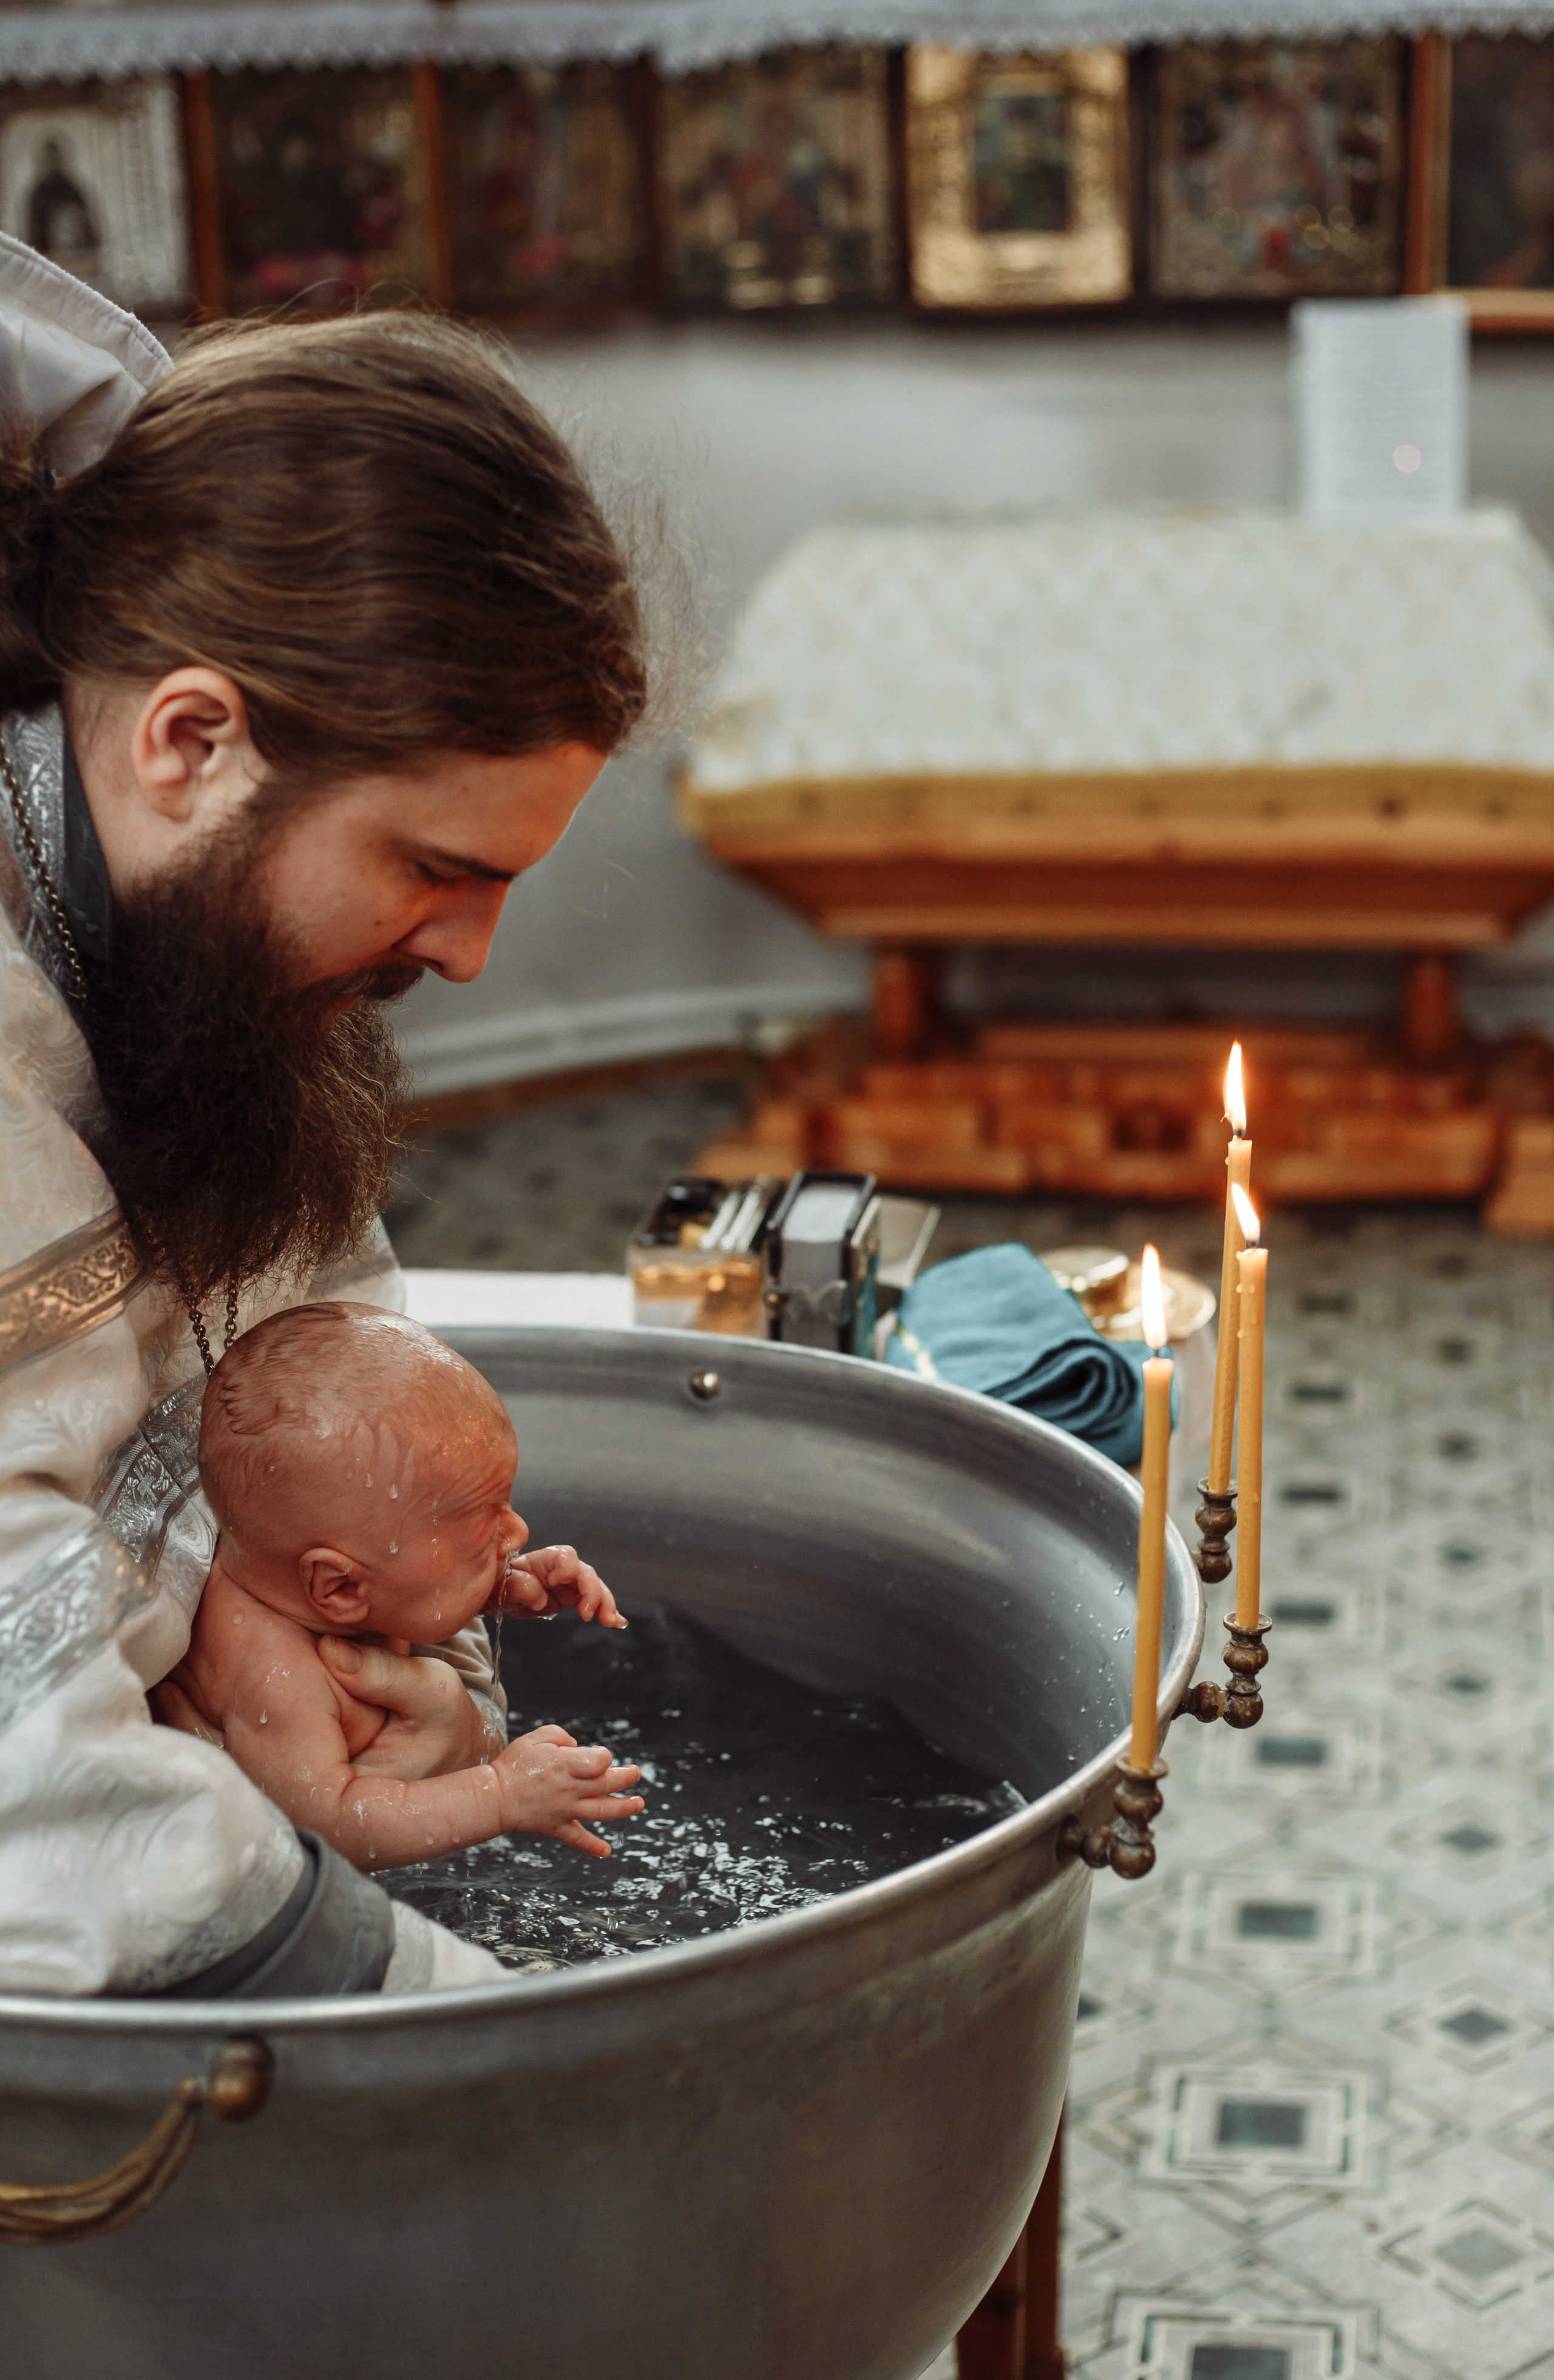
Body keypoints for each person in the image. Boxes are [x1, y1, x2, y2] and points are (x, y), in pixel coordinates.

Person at [0, 233, 646, 1995]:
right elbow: (24, 1769)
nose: (472, 952)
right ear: (190, 743)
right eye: (435, 869)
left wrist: (440, 1706)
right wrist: (486, 2032)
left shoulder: (185, 953)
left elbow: (323, 1378)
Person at [182, 1301, 643, 1869]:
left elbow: (406, 1587)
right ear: (340, 1588)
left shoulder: (310, 1574)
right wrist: (502, 1793)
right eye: (485, 1521)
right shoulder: (275, 1678)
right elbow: (328, 1828)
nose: (518, 1528)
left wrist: (506, 1584)